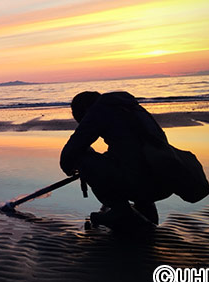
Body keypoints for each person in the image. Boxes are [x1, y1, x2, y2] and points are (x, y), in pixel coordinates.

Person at [60, 91, 174, 229]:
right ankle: (146, 211)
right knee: (135, 161)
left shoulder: (98, 110)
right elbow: (130, 149)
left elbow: (70, 152)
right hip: (165, 181)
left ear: (84, 110)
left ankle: (121, 212)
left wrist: (70, 168)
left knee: (82, 158)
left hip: (142, 183)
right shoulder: (129, 107)